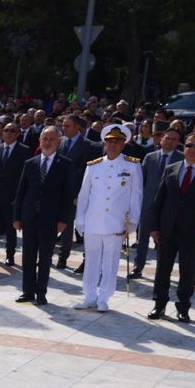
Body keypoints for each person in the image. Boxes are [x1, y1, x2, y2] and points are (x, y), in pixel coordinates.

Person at [147, 131, 195, 323]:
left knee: (187, 272)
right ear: (183, 147)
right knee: (162, 269)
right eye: (189, 145)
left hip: (194, 232)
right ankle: (159, 305)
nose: (192, 150)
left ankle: (183, 307)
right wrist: (154, 227)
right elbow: (159, 200)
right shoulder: (171, 168)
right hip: (167, 229)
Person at [72, 124, 143, 312]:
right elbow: (84, 194)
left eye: (117, 141)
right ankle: (89, 295)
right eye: (110, 141)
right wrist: (80, 219)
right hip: (93, 220)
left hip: (117, 222)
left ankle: (104, 297)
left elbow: (136, 196)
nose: (113, 144)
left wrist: (133, 221)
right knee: (91, 259)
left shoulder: (132, 165)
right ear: (104, 143)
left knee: (110, 262)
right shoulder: (93, 165)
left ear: (123, 144)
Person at [13, 126, 75, 306]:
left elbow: (68, 195)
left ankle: (41, 292)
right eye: (45, 139)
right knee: (28, 256)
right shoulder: (30, 163)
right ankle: (28, 291)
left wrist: (64, 220)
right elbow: (21, 191)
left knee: (45, 257)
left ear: (58, 142)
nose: (47, 142)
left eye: (51, 139)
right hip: (29, 216)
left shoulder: (65, 164)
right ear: (40, 141)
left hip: (51, 219)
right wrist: (16, 216)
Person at [131, 128, 182, 280]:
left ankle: (163, 270)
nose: (170, 141)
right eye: (168, 138)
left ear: (178, 142)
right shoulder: (150, 157)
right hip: (148, 205)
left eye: (174, 139)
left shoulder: (181, 158)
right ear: (161, 139)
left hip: (167, 208)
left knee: (164, 240)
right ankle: (137, 267)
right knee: (142, 239)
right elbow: (141, 181)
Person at [56, 114, 100, 269]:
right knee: (64, 226)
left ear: (78, 128)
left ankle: (87, 259)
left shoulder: (90, 146)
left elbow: (88, 172)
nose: (63, 128)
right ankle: (63, 257)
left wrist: (78, 194)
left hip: (80, 193)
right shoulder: (59, 142)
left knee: (84, 228)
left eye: (67, 126)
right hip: (59, 192)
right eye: (62, 125)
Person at [0, 122, 31, 265]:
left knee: (11, 229)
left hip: (12, 197)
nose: (8, 133)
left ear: (17, 134)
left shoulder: (24, 150)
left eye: (12, 131)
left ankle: (10, 255)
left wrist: (20, 197)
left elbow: (25, 177)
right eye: (6, 130)